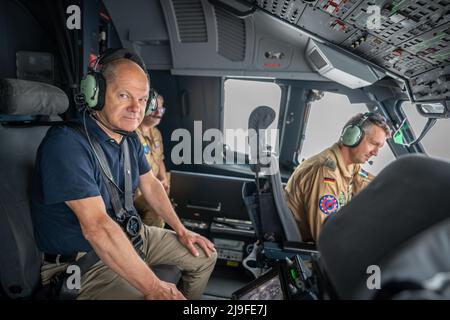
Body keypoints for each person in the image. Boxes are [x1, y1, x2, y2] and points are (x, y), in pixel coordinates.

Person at [31, 49, 217, 300]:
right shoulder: (66, 144)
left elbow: (150, 184)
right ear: (94, 94)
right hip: (83, 261)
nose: (135, 108)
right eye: (123, 95)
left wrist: (181, 230)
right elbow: (97, 228)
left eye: (142, 100)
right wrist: (155, 288)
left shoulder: (128, 138)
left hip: (130, 233)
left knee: (205, 256)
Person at [284, 112, 391, 243]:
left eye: (379, 147)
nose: (375, 153)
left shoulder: (351, 166)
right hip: (307, 256)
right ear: (352, 137)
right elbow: (326, 238)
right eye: (373, 144)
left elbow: (372, 185)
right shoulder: (325, 174)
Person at [134, 94, 169, 228]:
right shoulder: (132, 134)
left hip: (156, 185)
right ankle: (151, 244)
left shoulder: (156, 133)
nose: (158, 113)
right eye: (154, 108)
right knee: (158, 210)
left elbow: (160, 160)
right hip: (138, 192)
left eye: (161, 109)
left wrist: (164, 179)